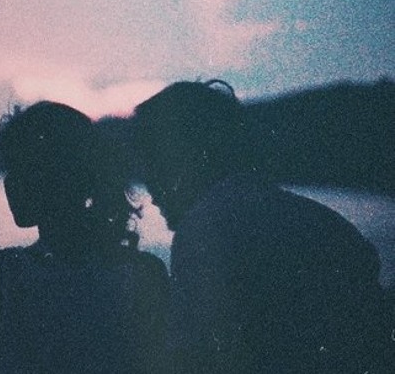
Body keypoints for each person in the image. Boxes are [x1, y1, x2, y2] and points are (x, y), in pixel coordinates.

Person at [133, 80, 394, 374]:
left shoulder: (204, 233)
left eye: (153, 162)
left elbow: (197, 360)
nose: (150, 186)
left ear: (186, 157)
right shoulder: (330, 223)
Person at [0, 101, 169, 374]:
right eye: (9, 168)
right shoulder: (144, 274)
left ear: (67, 176)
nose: (9, 184)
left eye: (25, 169)